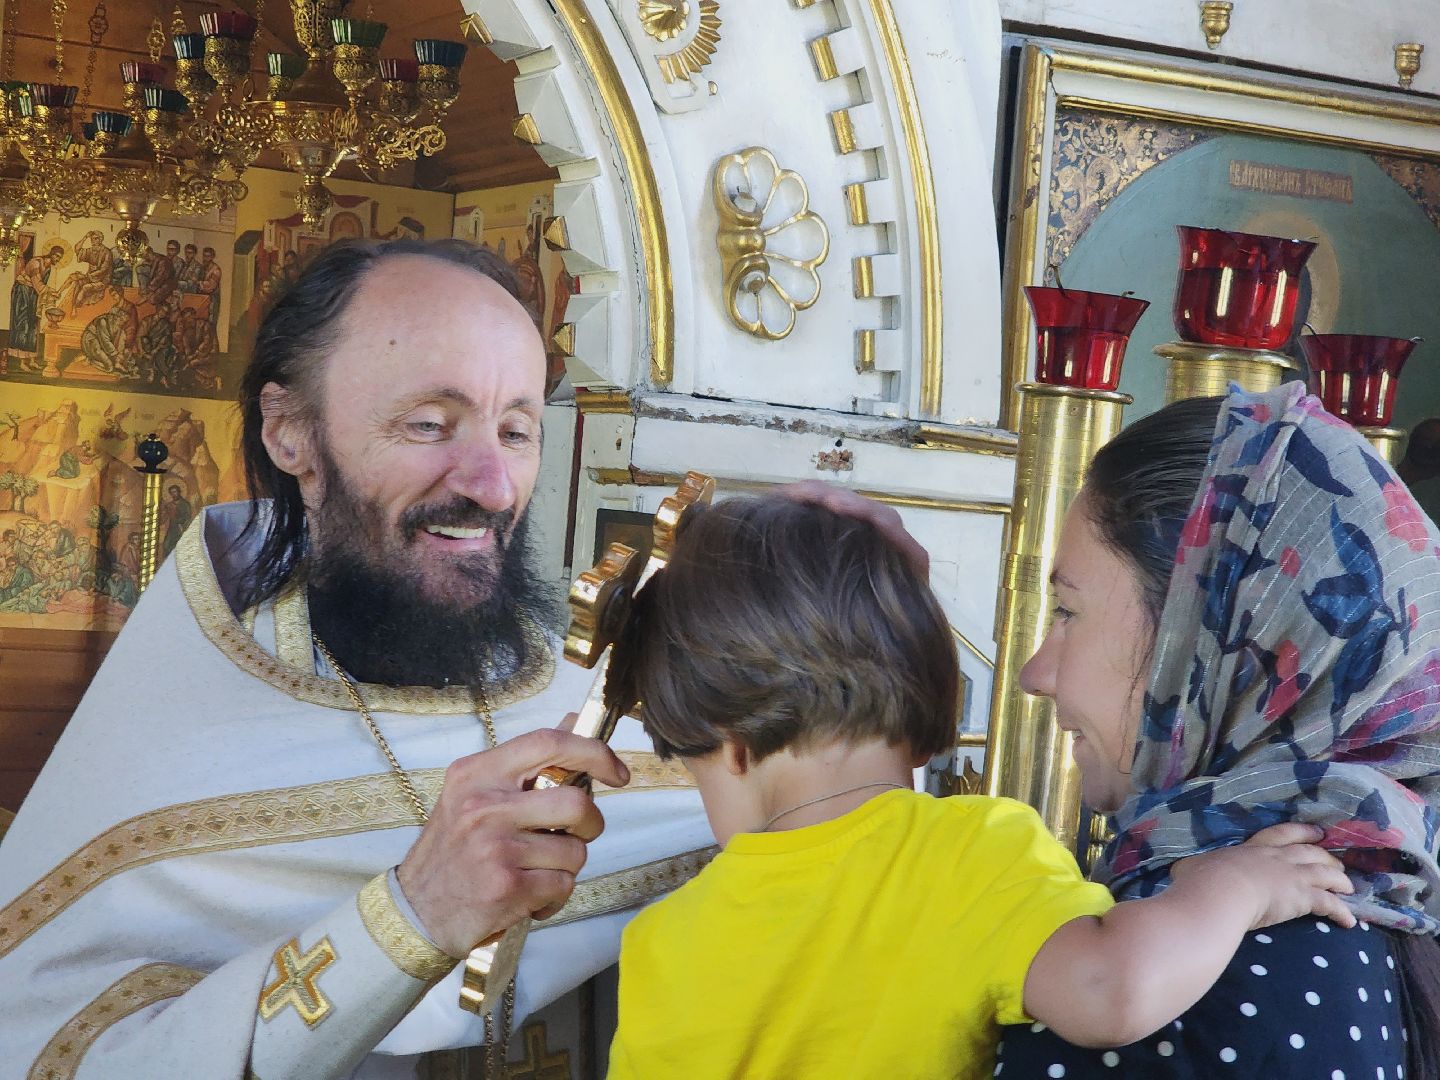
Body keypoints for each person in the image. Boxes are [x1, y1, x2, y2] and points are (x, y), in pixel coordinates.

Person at [0, 238, 712, 1078]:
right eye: (429, 425)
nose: (491, 485)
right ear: (290, 434)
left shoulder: (599, 702)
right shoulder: (174, 742)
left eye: (516, 431)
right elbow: (52, 1052)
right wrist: (414, 913)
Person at [603, 495, 1355, 1079]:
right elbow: (1110, 990)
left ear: (730, 750)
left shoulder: (661, 941)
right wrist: (1231, 888)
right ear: (925, 712)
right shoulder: (971, 851)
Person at [998, 385, 1440, 1078]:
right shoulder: (1367, 906)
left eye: (1067, 611)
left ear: (1205, 644)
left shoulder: (1176, 982)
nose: (1035, 674)